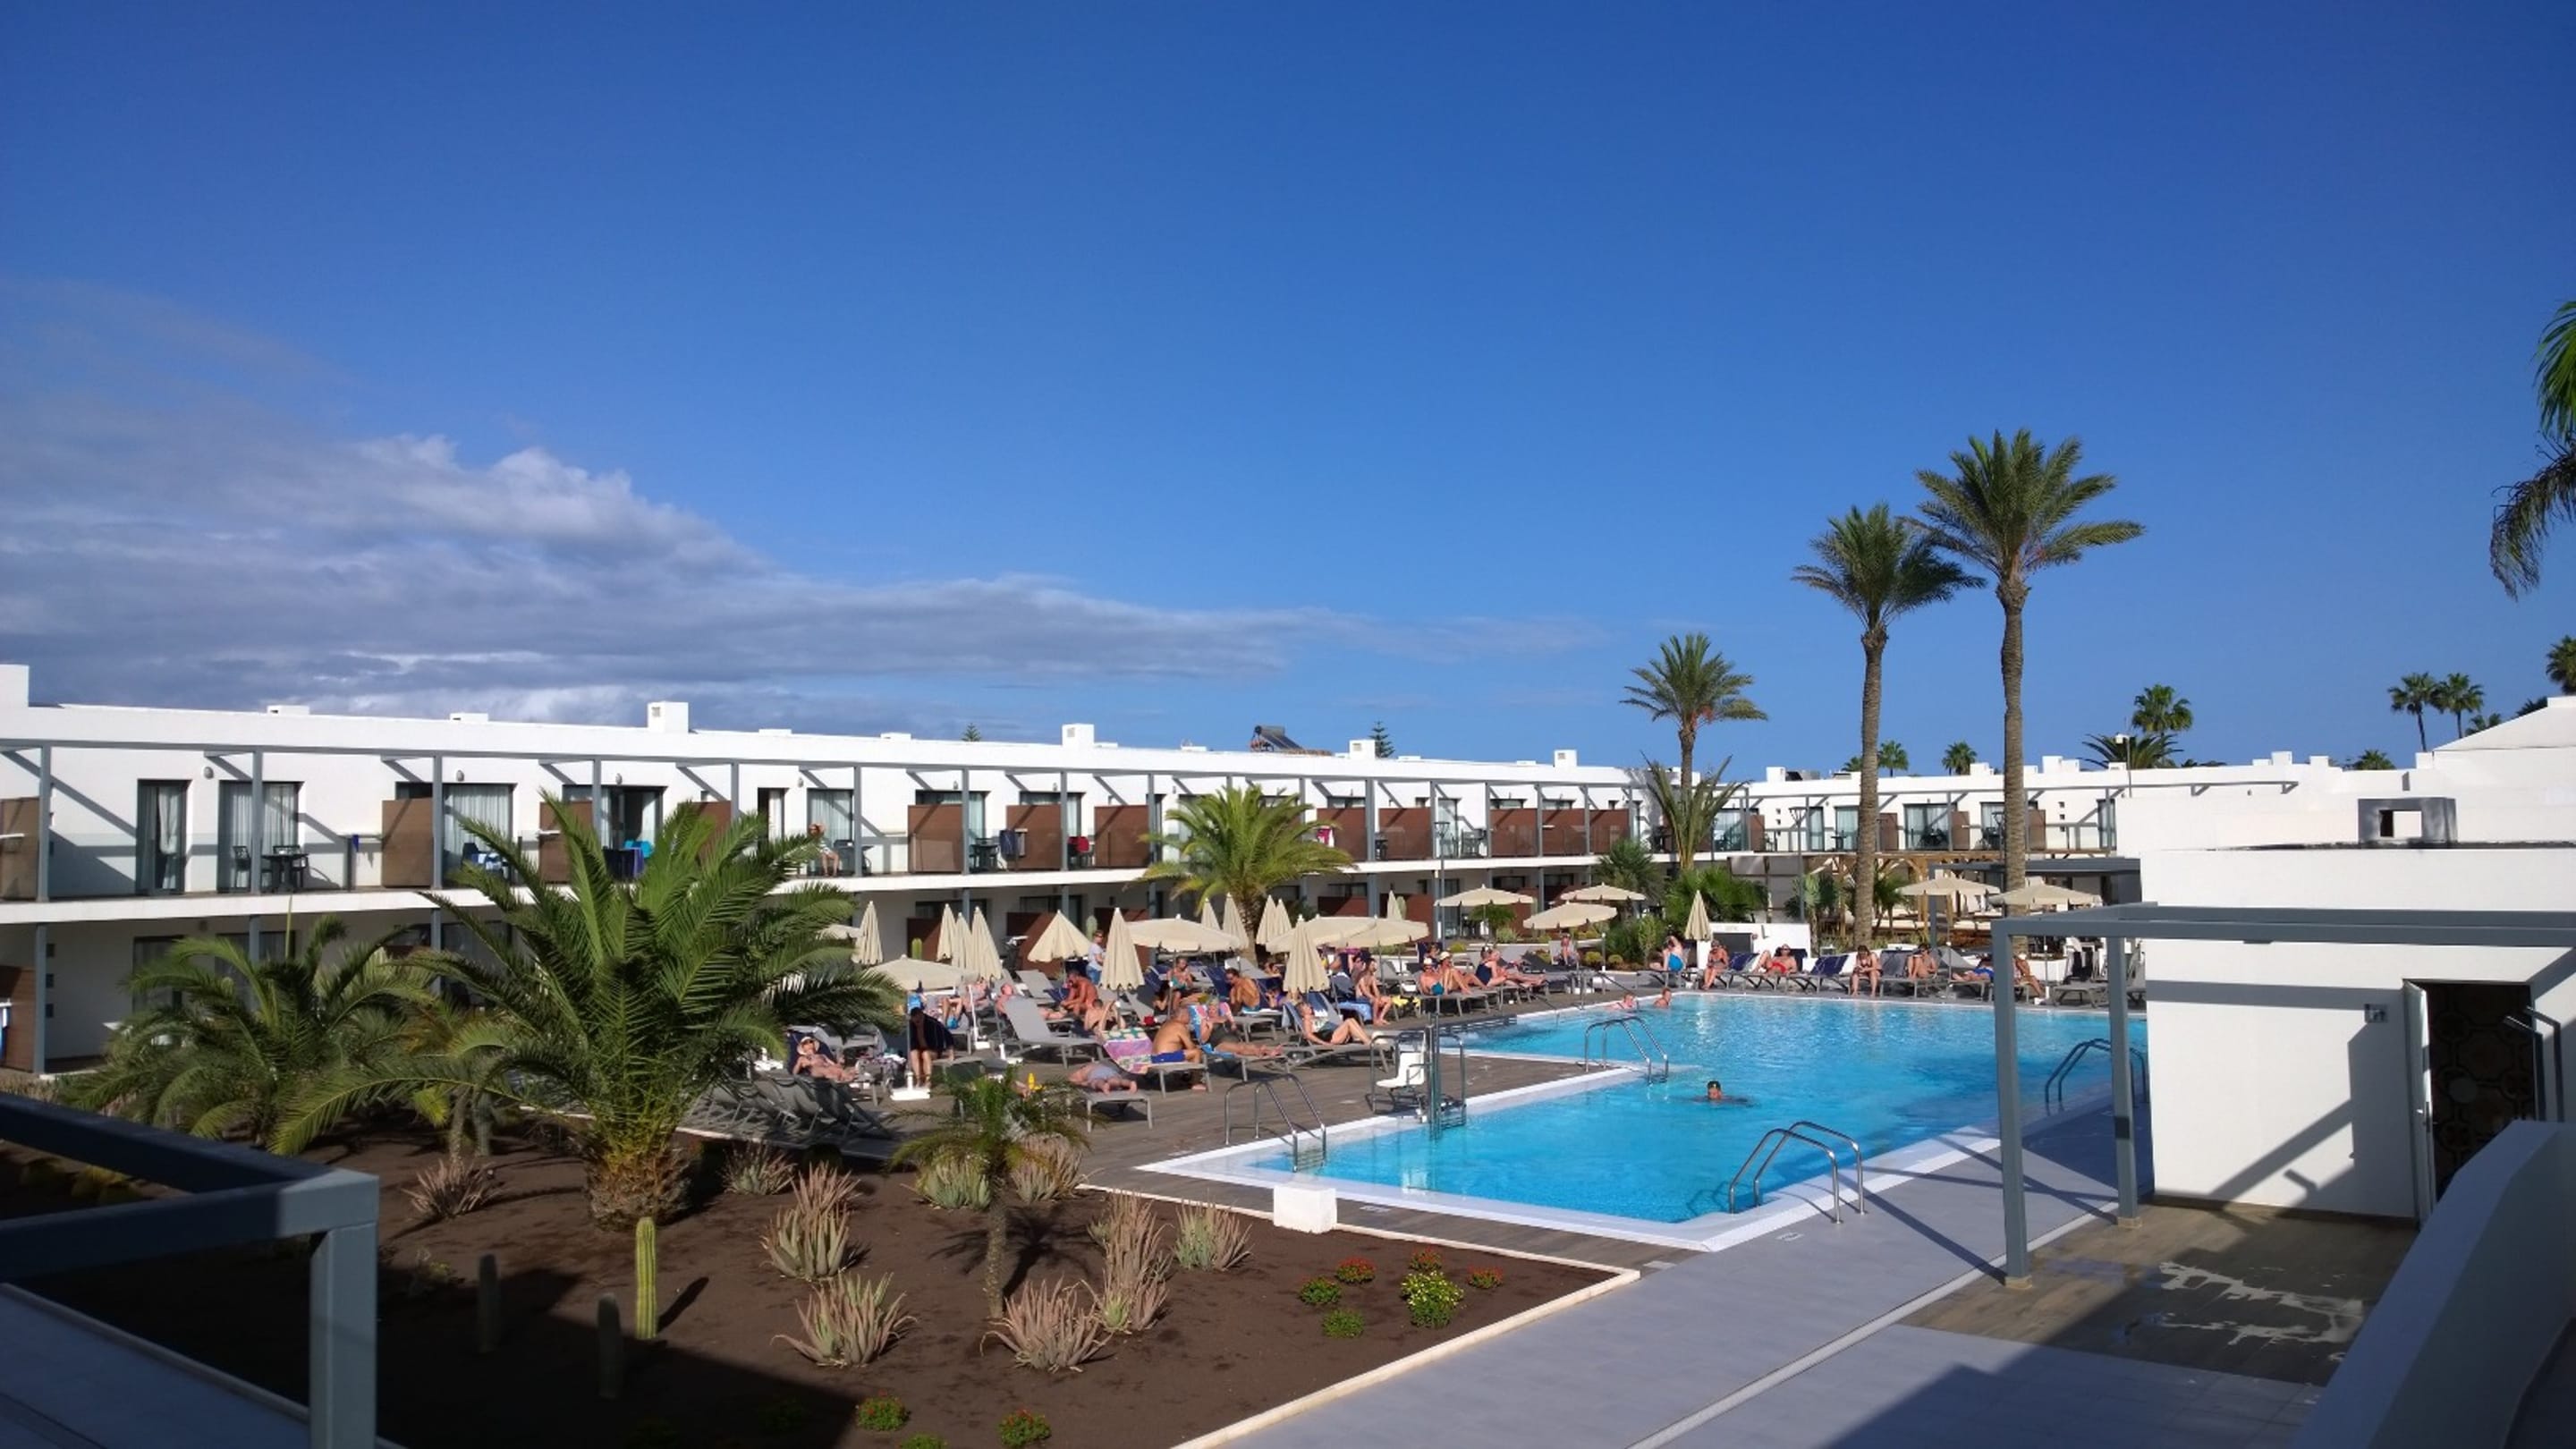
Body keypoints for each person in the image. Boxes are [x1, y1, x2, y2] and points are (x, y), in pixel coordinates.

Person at [904, 1003, 955, 1086]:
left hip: (933, 1049)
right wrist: (918, 1028)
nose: (917, 1022)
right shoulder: (911, 1026)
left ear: (922, 1016)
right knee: (913, 1053)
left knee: (925, 1054)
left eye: (919, 1020)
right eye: (915, 1020)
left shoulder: (933, 1023)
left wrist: (951, 1054)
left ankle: (928, 1080)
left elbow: (948, 1036)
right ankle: (919, 1080)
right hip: (919, 1049)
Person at [1295, 997, 1370, 1047]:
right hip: (1330, 1038)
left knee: (1351, 1020)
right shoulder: (1307, 1021)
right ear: (1302, 1012)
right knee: (1348, 1021)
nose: (1310, 1007)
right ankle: (1367, 1042)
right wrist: (1324, 1043)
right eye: (1306, 1007)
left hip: (1335, 1034)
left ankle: (1366, 1040)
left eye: (1308, 1006)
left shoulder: (1314, 1017)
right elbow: (1309, 1035)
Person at [792, 1034, 857, 1083]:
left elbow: (833, 1064)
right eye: (806, 1043)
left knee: (849, 1070)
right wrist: (800, 1063)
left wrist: (840, 1062)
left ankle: (849, 1078)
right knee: (841, 1073)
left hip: (833, 1069)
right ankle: (843, 1079)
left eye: (810, 1041)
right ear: (803, 1047)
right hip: (822, 1073)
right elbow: (795, 1072)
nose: (809, 1044)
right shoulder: (802, 1058)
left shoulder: (822, 1055)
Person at [1067, 1057, 1140, 1093]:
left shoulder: (1079, 1074)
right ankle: (1130, 1083)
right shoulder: (1094, 1065)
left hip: (1096, 1073)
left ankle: (1103, 1086)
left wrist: (1084, 1083)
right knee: (1116, 1080)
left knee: (1097, 1082)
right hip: (1109, 1070)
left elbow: (1073, 1081)